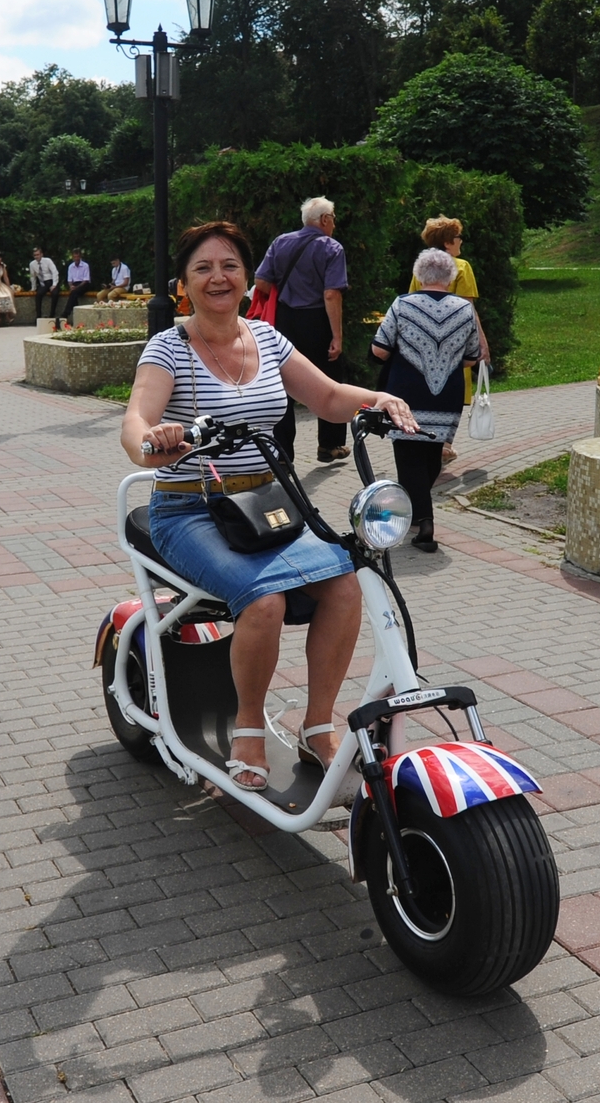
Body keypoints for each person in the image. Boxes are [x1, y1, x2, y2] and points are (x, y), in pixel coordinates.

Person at [122, 220, 417, 792]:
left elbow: (328, 396)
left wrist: (378, 397)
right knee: (264, 602)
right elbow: (137, 417)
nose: (218, 277)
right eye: (203, 268)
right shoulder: (169, 348)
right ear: (183, 283)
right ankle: (249, 729)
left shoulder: (268, 338)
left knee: (345, 584)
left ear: (248, 277)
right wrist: (151, 440)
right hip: (190, 510)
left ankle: (315, 726)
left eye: (229, 265)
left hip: (266, 502)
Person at [372, 249, 481, 553]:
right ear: (450, 277)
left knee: (408, 458)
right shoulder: (465, 309)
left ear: (419, 276)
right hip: (447, 395)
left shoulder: (402, 305)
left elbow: (379, 350)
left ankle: (426, 523)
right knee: (432, 455)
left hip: (405, 395)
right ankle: (417, 515)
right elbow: (472, 357)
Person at [252, 197, 351, 465]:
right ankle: (330, 445)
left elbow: (261, 281)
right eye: (333, 218)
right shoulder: (332, 247)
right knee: (329, 381)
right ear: (325, 220)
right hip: (317, 320)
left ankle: (283, 453)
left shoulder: (281, 242)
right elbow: (331, 294)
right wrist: (337, 337)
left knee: (282, 383)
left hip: (284, 322)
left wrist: (286, 293)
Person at [411, 217, 491, 464]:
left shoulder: (421, 268)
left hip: (424, 342)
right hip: (454, 343)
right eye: (458, 238)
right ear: (448, 242)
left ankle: (425, 439)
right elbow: (468, 308)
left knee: (427, 390)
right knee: (453, 392)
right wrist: (482, 344)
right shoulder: (462, 267)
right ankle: (444, 444)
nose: (461, 242)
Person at [28, 248, 60, 318]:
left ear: (41, 254)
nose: (36, 256)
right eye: (35, 255)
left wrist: (54, 285)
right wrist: (33, 288)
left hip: (51, 281)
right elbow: (33, 276)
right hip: (43, 283)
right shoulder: (32, 264)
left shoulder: (48, 261)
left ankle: (52, 314)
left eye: (38, 255)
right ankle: (38, 316)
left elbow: (55, 272)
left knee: (55, 294)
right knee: (38, 295)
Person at [61, 250, 91, 321]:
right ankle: (76, 313)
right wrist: (71, 286)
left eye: (78, 257)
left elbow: (86, 280)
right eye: (75, 257)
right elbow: (69, 280)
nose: (76, 258)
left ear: (80, 257)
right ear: (72, 257)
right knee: (73, 294)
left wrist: (75, 288)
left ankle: (65, 314)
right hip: (75, 284)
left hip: (84, 284)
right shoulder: (71, 266)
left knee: (74, 292)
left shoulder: (85, 265)